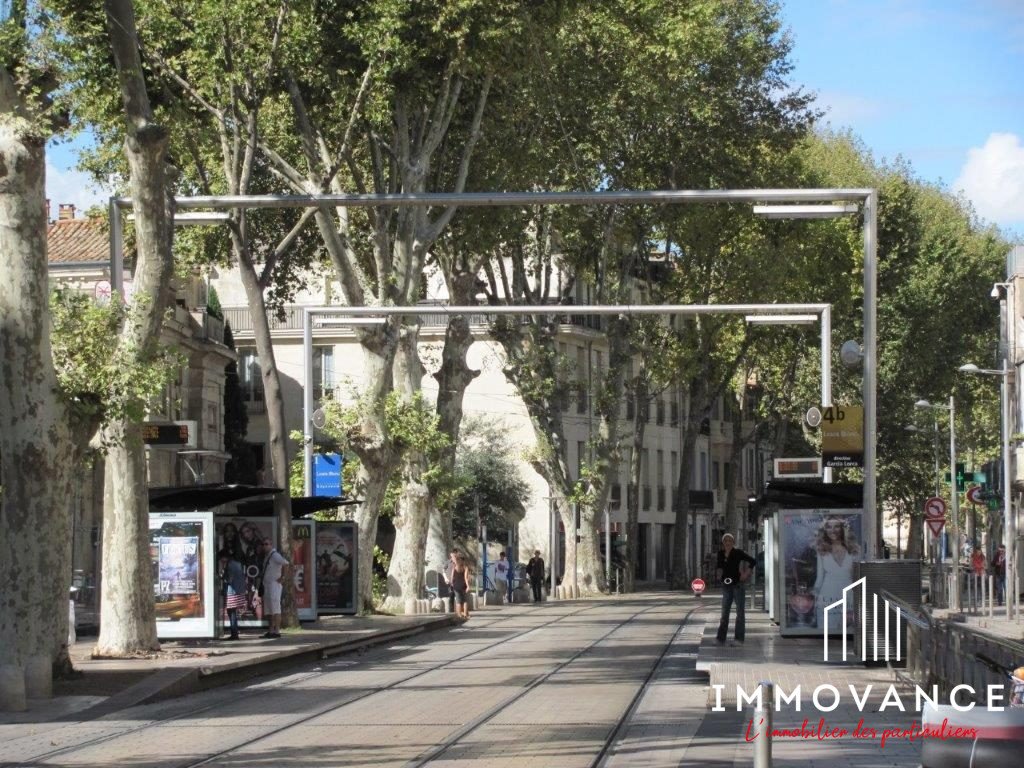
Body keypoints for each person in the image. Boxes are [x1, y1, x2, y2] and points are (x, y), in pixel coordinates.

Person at [812, 516, 860, 631]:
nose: (832, 530)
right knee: (826, 629)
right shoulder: (822, 550)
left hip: (848, 596)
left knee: (849, 630)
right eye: (828, 527)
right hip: (827, 595)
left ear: (843, 529)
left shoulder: (855, 549)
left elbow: (858, 576)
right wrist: (815, 596)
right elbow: (820, 577)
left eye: (836, 526)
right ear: (825, 530)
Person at [716, 533, 756, 644]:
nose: (727, 543)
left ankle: (739, 639)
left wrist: (746, 573)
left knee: (740, 612)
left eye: (730, 540)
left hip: (738, 585)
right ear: (723, 543)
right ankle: (720, 638)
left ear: (733, 542)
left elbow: (753, 561)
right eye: (725, 541)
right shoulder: (720, 553)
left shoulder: (738, 553)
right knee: (724, 612)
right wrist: (719, 576)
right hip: (726, 586)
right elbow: (719, 567)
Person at [259, 537, 290, 638]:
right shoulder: (267, 556)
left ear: (271, 545)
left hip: (274, 585)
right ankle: (271, 630)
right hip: (267, 585)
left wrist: (283, 577)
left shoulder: (275, 555)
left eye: (266, 544)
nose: (264, 546)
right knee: (269, 609)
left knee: (275, 608)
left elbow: (286, 563)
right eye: (263, 544)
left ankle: (277, 631)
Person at [218, 549, 246, 640]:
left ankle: (234, 633)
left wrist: (222, 576)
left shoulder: (229, 566)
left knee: (231, 612)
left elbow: (229, 580)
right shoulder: (236, 564)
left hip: (232, 592)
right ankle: (234, 632)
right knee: (233, 612)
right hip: (238, 590)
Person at [450, 553, 472, 620]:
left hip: (456, 586)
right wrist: (468, 586)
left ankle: (459, 615)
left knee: (458, 601)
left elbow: (452, 577)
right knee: (465, 601)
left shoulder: (454, 567)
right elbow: (465, 578)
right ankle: (465, 614)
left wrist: (452, 584)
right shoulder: (465, 567)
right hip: (463, 586)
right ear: (463, 560)